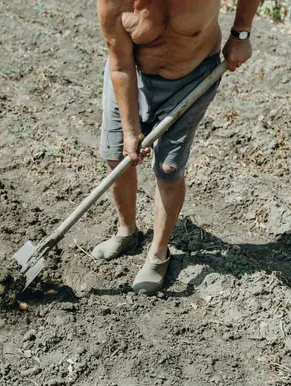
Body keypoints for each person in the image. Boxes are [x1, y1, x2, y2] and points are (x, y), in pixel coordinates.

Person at [92, 0, 257, 294]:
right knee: (117, 156)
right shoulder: (114, 3)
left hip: (193, 75)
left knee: (169, 169)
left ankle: (158, 253)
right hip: (132, 75)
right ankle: (127, 231)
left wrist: (240, 34)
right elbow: (120, 66)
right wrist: (131, 131)